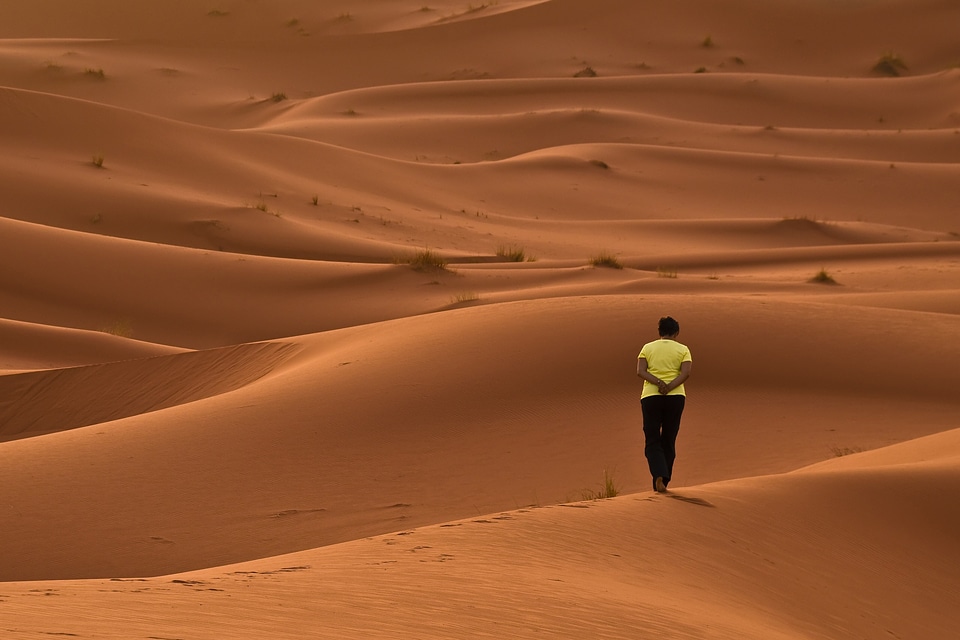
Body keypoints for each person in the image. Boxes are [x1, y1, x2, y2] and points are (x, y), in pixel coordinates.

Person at [636, 316, 692, 493]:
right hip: (675, 397)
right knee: (669, 437)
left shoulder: (647, 347)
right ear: (676, 332)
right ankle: (664, 480)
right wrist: (669, 386)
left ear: (659, 332)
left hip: (651, 396)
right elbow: (686, 373)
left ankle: (658, 475)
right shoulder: (683, 349)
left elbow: (640, 371)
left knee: (652, 438)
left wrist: (658, 383)